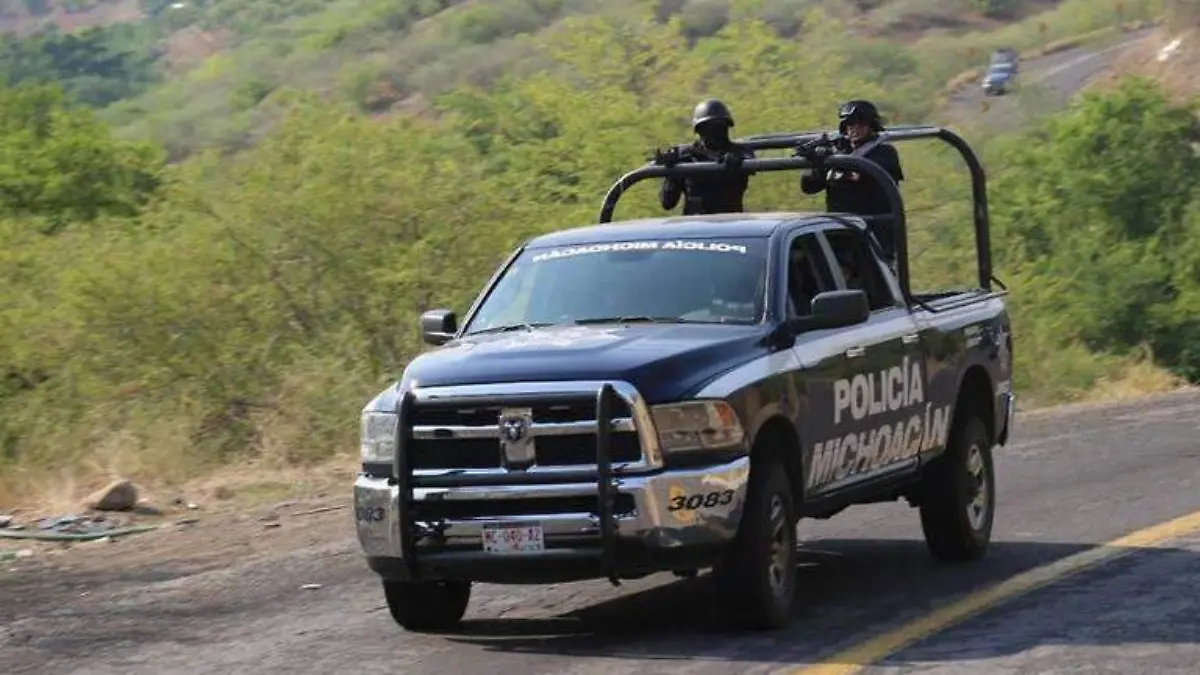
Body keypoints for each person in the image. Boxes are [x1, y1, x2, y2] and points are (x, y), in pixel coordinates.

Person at [799, 100, 905, 259]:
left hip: (873, 233)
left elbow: (867, 174)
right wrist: (818, 163)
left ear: (871, 126)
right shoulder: (837, 153)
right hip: (840, 231)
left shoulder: (884, 152)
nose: (854, 129)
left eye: (860, 124)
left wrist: (841, 165)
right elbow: (808, 186)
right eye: (850, 124)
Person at [656, 99, 756, 215]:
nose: (715, 132)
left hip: (730, 223)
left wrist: (738, 162)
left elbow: (750, 159)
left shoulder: (739, 152)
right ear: (699, 130)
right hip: (696, 225)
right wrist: (672, 173)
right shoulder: (686, 156)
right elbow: (668, 203)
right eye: (709, 127)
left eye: (720, 127)